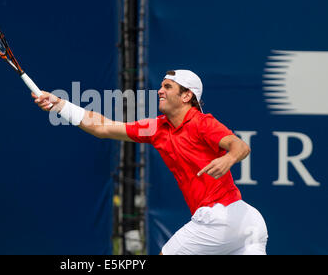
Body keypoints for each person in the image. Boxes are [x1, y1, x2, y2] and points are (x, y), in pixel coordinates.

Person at [33, 69, 268, 255]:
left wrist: (228, 158)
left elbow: (240, 146)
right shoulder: (156, 127)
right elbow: (102, 126)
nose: (160, 91)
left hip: (221, 218)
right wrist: (59, 104)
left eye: (168, 87)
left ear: (187, 96)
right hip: (248, 223)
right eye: (161, 86)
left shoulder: (202, 123)